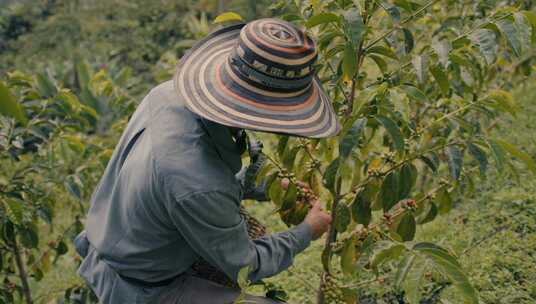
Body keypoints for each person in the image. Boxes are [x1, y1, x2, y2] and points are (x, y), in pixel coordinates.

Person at [74, 18, 341, 304]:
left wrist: (268, 185)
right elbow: (247, 263)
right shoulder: (197, 182)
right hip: (143, 288)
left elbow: (198, 174)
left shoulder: (166, 94)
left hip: (119, 240)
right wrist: (306, 231)